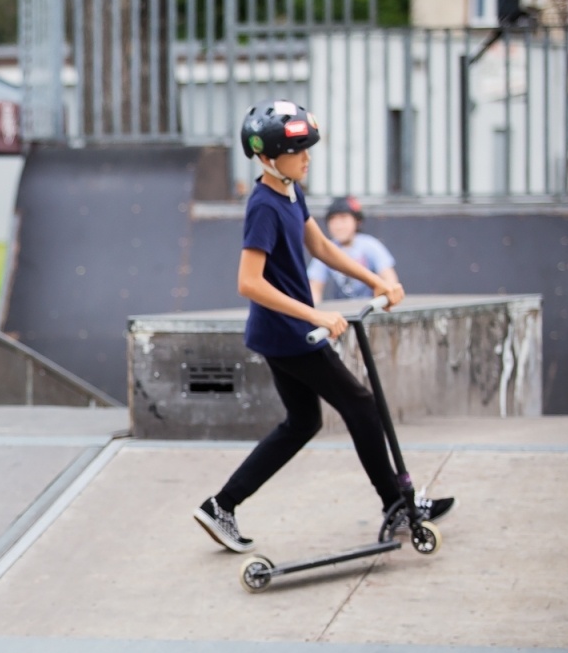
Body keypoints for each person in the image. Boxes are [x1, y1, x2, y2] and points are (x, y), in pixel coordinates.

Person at [192, 100, 453, 555]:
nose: (308, 158)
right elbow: (247, 282)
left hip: (285, 332)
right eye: (299, 151)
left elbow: (324, 248)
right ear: (269, 157)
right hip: (292, 335)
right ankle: (397, 502)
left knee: (303, 422)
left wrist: (377, 281)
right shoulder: (264, 206)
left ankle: (221, 505)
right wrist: (315, 314)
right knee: (361, 405)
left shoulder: (290, 191)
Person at [307, 196, 399, 302]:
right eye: (333, 220)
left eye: (343, 219)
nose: (338, 226)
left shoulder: (370, 245)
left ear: (357, 221)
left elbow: (390, 280)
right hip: (341, 312)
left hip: (369, 309)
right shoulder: (325, 249)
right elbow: (314, 289)